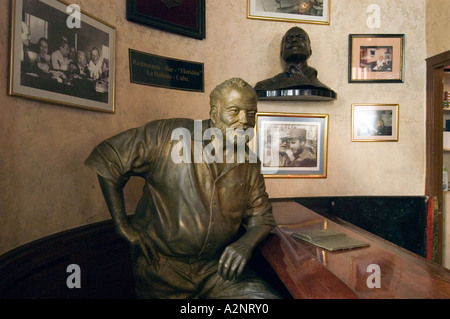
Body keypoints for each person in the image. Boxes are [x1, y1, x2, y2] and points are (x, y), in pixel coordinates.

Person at [84, 77, 281, 299]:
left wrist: (245, 244)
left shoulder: (249, 163)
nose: (244, 121)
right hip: (162, 270)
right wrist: (122, 226)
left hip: (217, 272)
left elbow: (262, 218)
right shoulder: (168, 135)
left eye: (251, 113)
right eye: (234, 111)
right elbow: (108, 158)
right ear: (214, 113)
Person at [254, 26, 333, 93]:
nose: (294, 40)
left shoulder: (320, 87)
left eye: (300, 38)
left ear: (310, 51)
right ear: (282, 53)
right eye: (289, 39)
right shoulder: (264, 86)